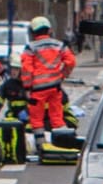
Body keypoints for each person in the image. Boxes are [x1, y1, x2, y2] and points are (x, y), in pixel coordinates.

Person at [20, 15, 76, 146]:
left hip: (37, 90)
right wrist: (63, 74)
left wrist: (27, 87)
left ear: (33, 32)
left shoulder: (31, 48)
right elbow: (71, 61)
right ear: (49, 30)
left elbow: (26, 69)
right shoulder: (59, 45)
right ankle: (63, 144)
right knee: (57, 117)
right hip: (55, 87)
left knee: (37, 120)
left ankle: (41, 145)